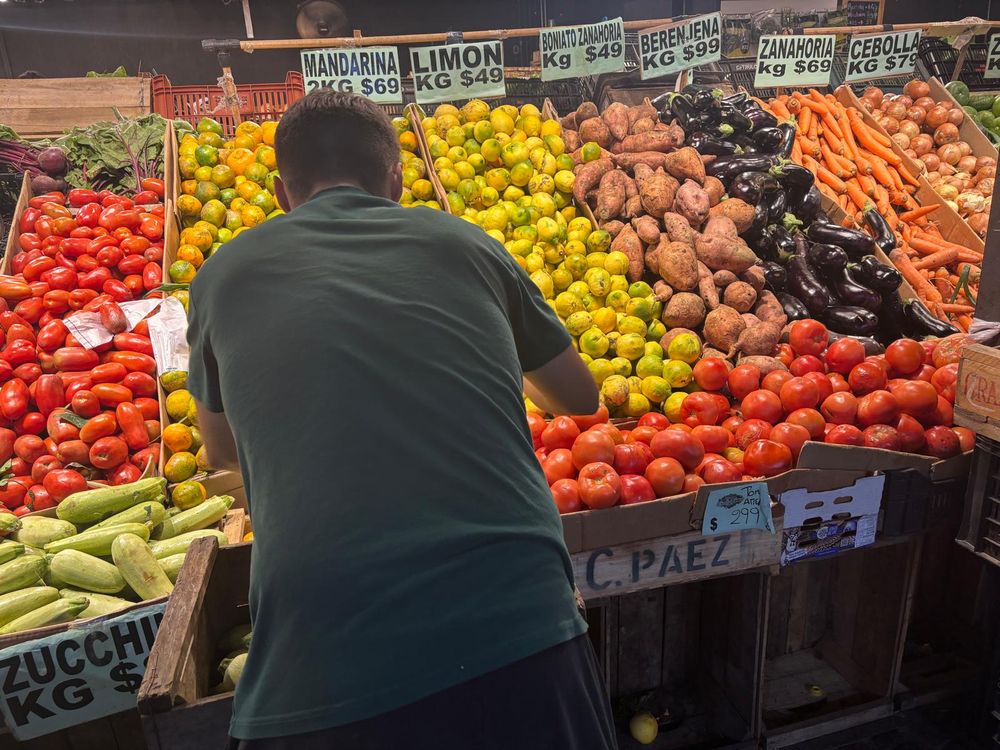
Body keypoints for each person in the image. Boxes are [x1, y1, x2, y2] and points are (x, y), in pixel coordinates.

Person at [187, 90, 617, 750]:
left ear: (279, 193)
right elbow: (578, 396)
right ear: (395, 180)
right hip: (522, 629)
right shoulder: (469, 244)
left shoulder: (220, 276)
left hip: (325, 666)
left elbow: (221, 454)